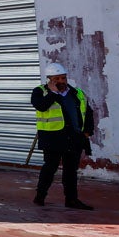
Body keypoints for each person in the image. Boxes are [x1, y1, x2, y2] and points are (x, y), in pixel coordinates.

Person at [31, 62, 95, 209]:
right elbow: (40, 106)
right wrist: (53, 93)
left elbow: (88, 112)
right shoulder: (40, 92)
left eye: (63, 78)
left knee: (71, 171)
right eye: (57, 79)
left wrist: (87, 132)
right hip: (52, 138)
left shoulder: (76, 92)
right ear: (49, 79)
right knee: (50, 168)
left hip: (74, 138)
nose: (61, 81)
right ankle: (40, 196)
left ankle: (72, 200)